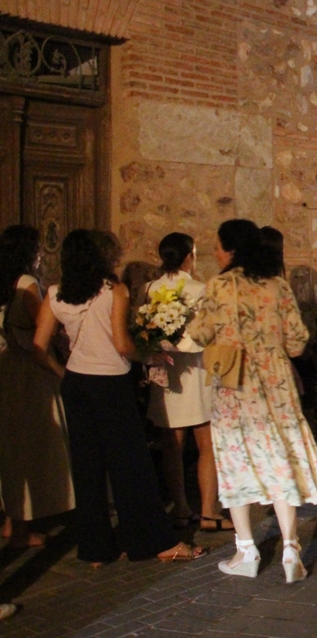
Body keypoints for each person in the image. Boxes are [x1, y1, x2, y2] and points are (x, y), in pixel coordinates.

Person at [33, 230, 200, 566]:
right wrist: (148, 355)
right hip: (109, 383)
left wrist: (64, 372)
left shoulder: (54, 294)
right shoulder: (114, 291)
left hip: (76, 384)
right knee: (131, 466)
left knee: (87, 467)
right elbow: (122, 345)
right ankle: (153, 542)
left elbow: (39, 346)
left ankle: (96, 549)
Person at [187, 219, 317, 583]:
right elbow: (296, 342)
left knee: (235, 462)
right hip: (276, 384)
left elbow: (200, 333)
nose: (215, 253)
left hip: (234, 385)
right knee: (280, 461)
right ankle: (290, 549)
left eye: (218, 246)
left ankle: (247, 551)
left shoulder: (219, 286)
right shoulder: (277, 285)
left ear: (231, 250)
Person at [145, 233, 229, 531]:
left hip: (166, 373)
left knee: (173, 445)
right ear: (188, 257)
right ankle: (208, 511)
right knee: (207, 443)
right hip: (196, 370)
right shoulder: (199, 289)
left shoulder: (149, 289)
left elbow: (141, 329)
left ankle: (181, 509)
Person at [0, 225, 74, 549]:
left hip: (8, 369)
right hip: (29, 373)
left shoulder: (5, 283)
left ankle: (9, 522)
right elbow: (43, 330)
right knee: (29, 449)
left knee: (11, 447)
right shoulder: (27, 284)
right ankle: (21, 529)